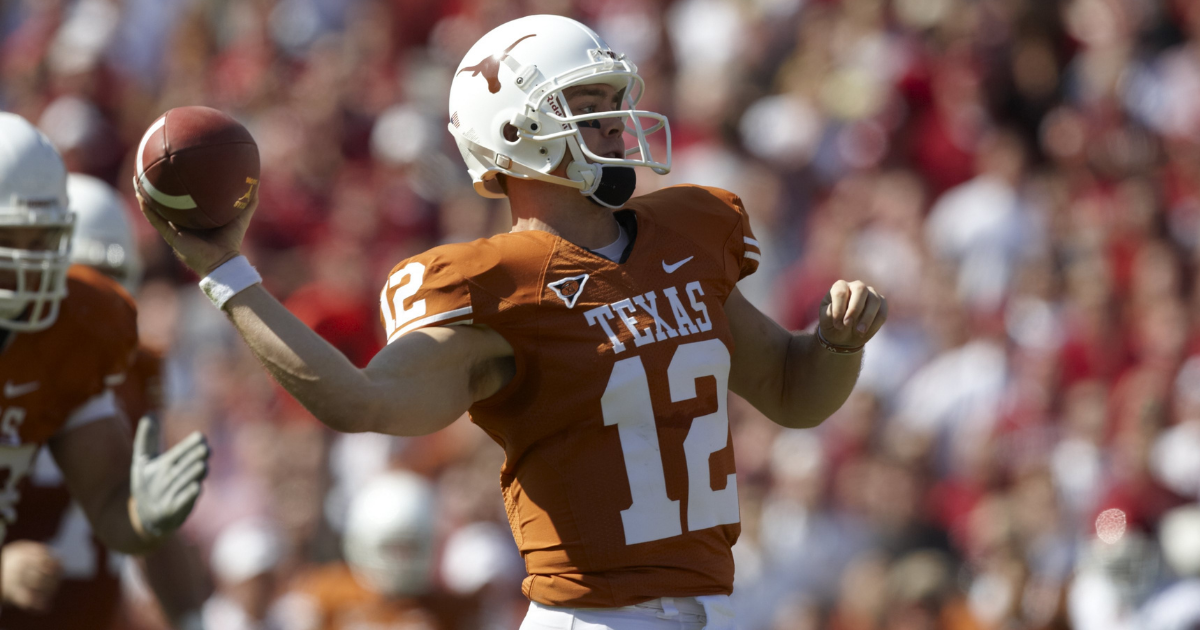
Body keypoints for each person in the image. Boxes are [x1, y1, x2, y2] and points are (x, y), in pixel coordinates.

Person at [135, 14, 887, 629]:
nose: (618, 123)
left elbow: (793, 394)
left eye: (610, 99)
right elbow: (361, 400)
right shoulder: (494, 285)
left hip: (717, 603)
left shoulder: (690, 232)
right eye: (588, 105)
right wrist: (227, 274)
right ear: (518, 131)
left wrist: (836, 345)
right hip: (596, 618)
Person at [0, 112, 210, 612]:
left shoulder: (69, 328)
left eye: (41, 239)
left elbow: (109, 504)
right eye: (11, 238)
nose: (31, 261)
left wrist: (142, 517)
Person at [275, 470, 445, 630]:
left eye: (410, 548)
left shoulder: (440, 607)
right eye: (393, 548)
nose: (401, 560)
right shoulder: (326, 593)